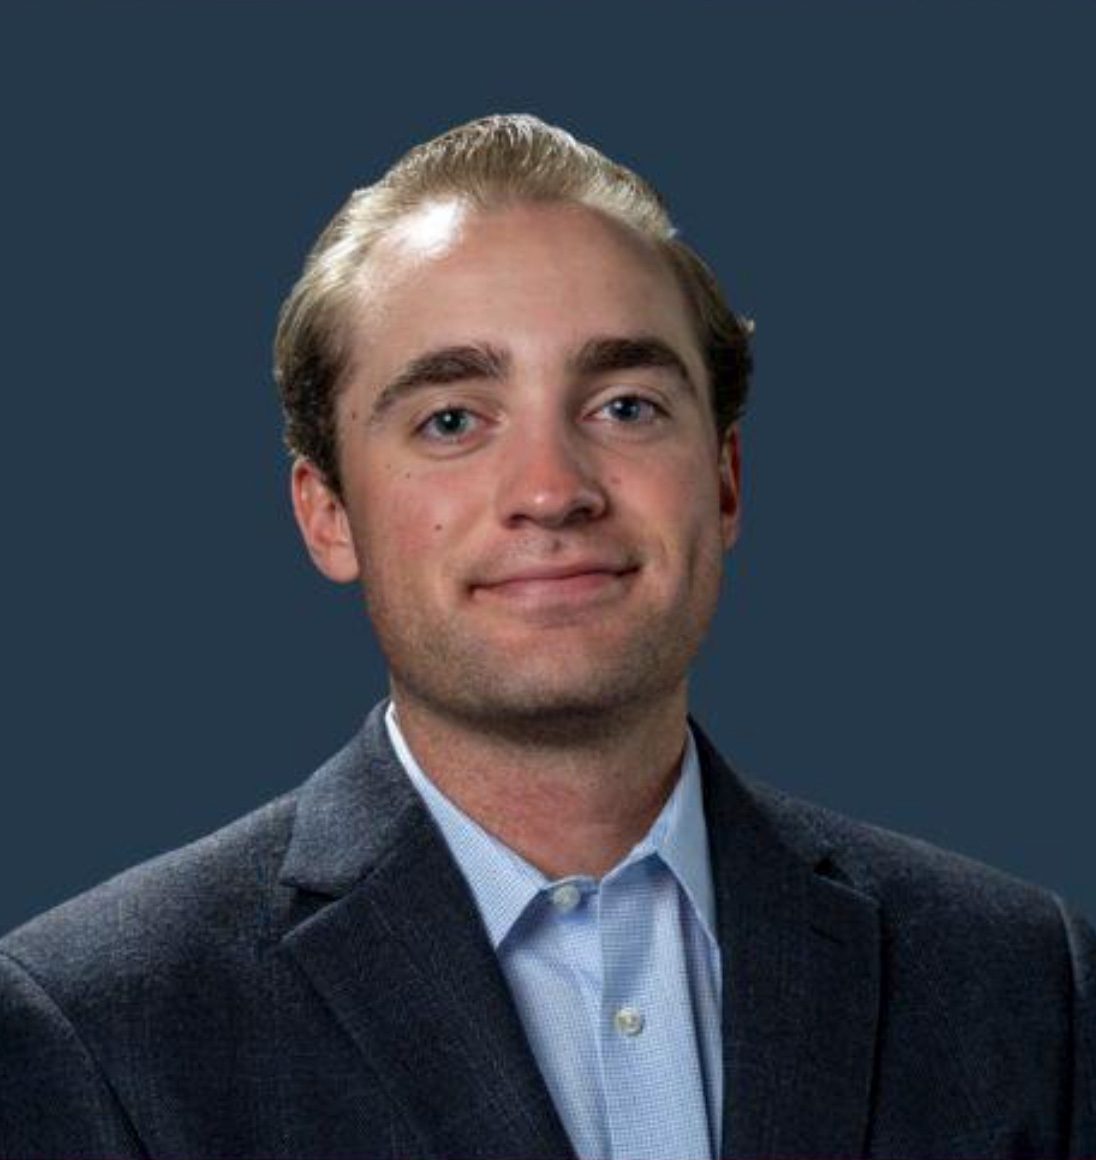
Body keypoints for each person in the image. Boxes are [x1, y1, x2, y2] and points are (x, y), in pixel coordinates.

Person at [0, 114, 1092, 1160]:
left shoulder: (1022, 979)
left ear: (723, 483)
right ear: (326, 512)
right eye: (452, 419)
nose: (552, 490)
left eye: (623, 405)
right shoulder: (98, 1024)